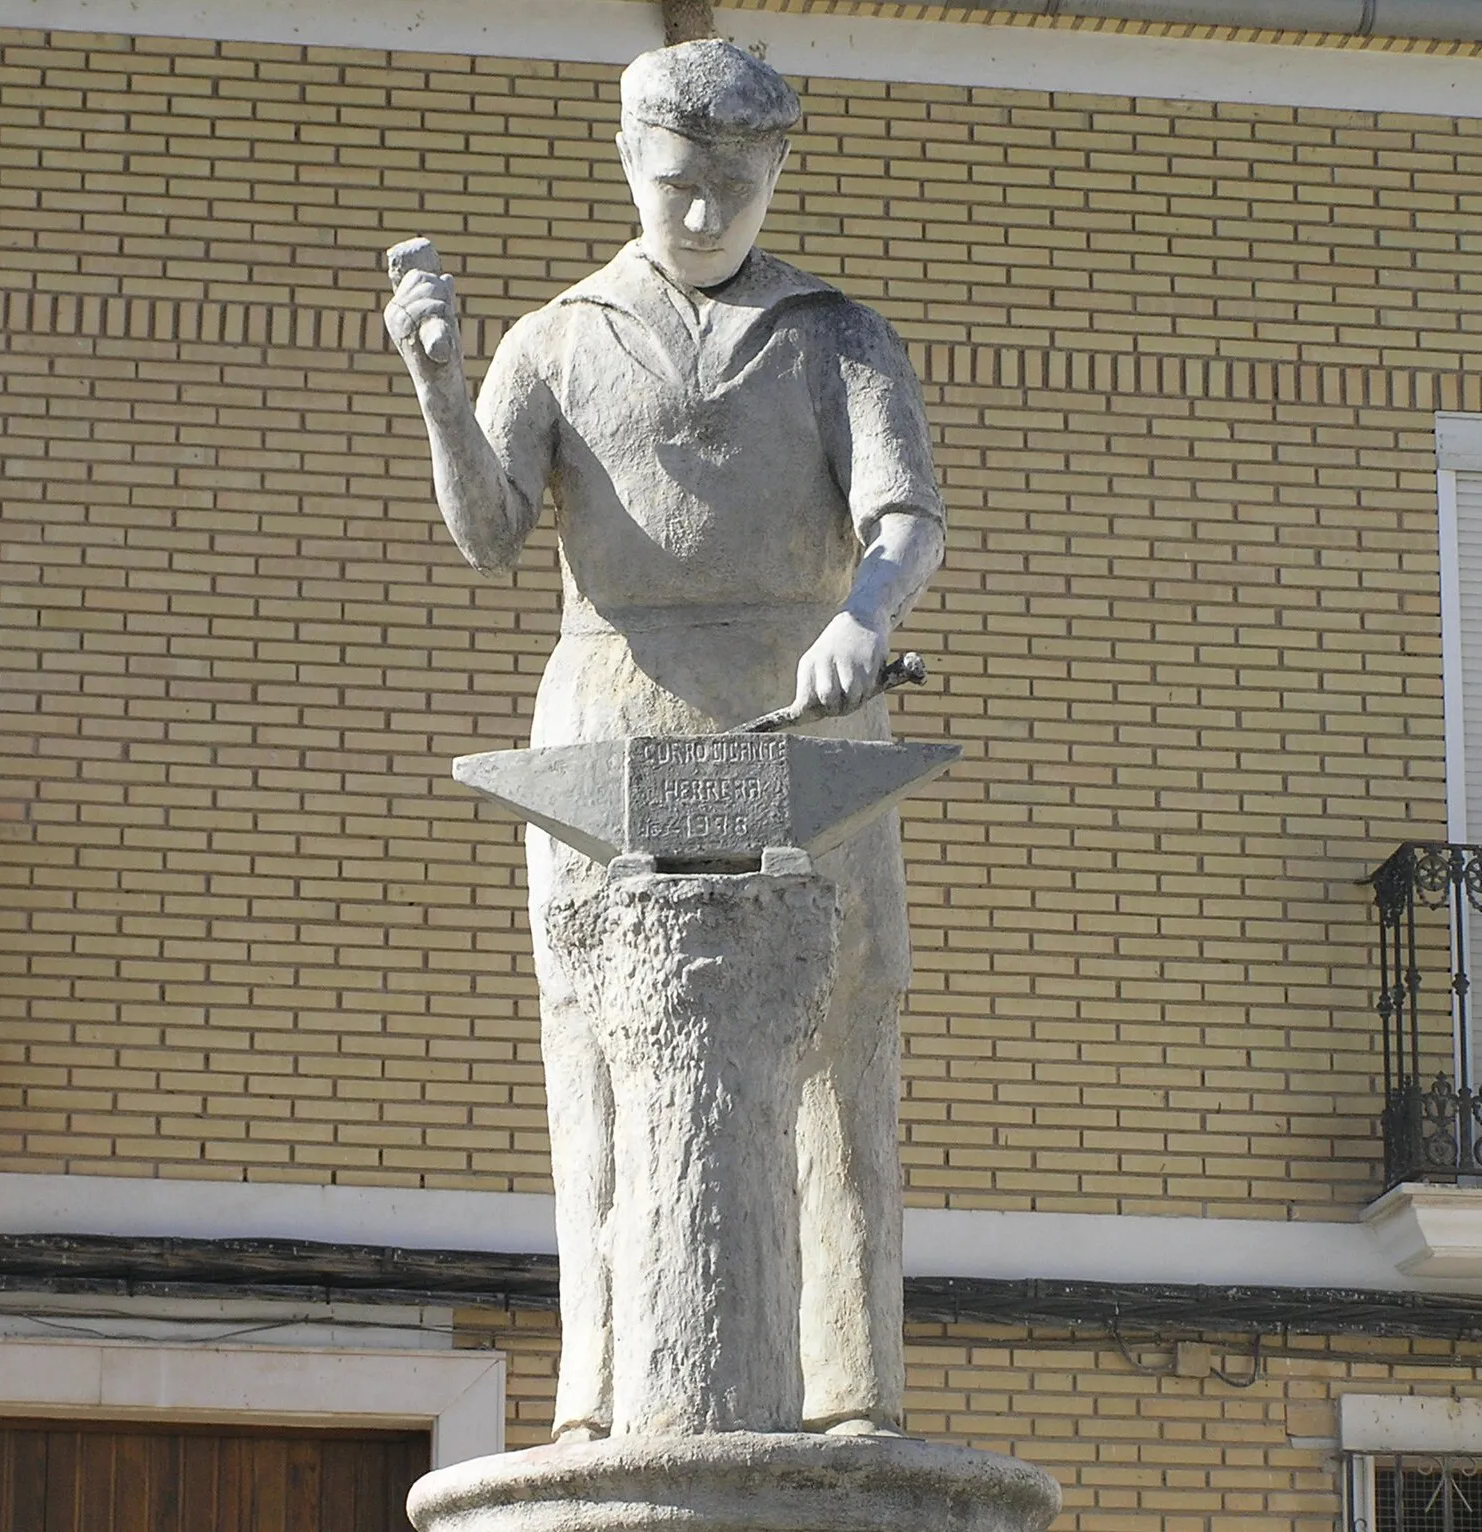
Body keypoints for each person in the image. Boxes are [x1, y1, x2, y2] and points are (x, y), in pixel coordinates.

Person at [385, 38, 944, 1441]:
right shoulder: (559, 337)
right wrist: (440, 385)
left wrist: (864, 619)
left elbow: (905, 516)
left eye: (735, 191)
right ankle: (600, 1399)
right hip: (607, 708)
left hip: (808, 708)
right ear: (635, 165)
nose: (703, 217)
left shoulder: (838, 337)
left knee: (838, 1050)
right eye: (681, 185)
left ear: (777, 177)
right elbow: (488, 533)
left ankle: (853, 1395)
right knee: (597, 1056)